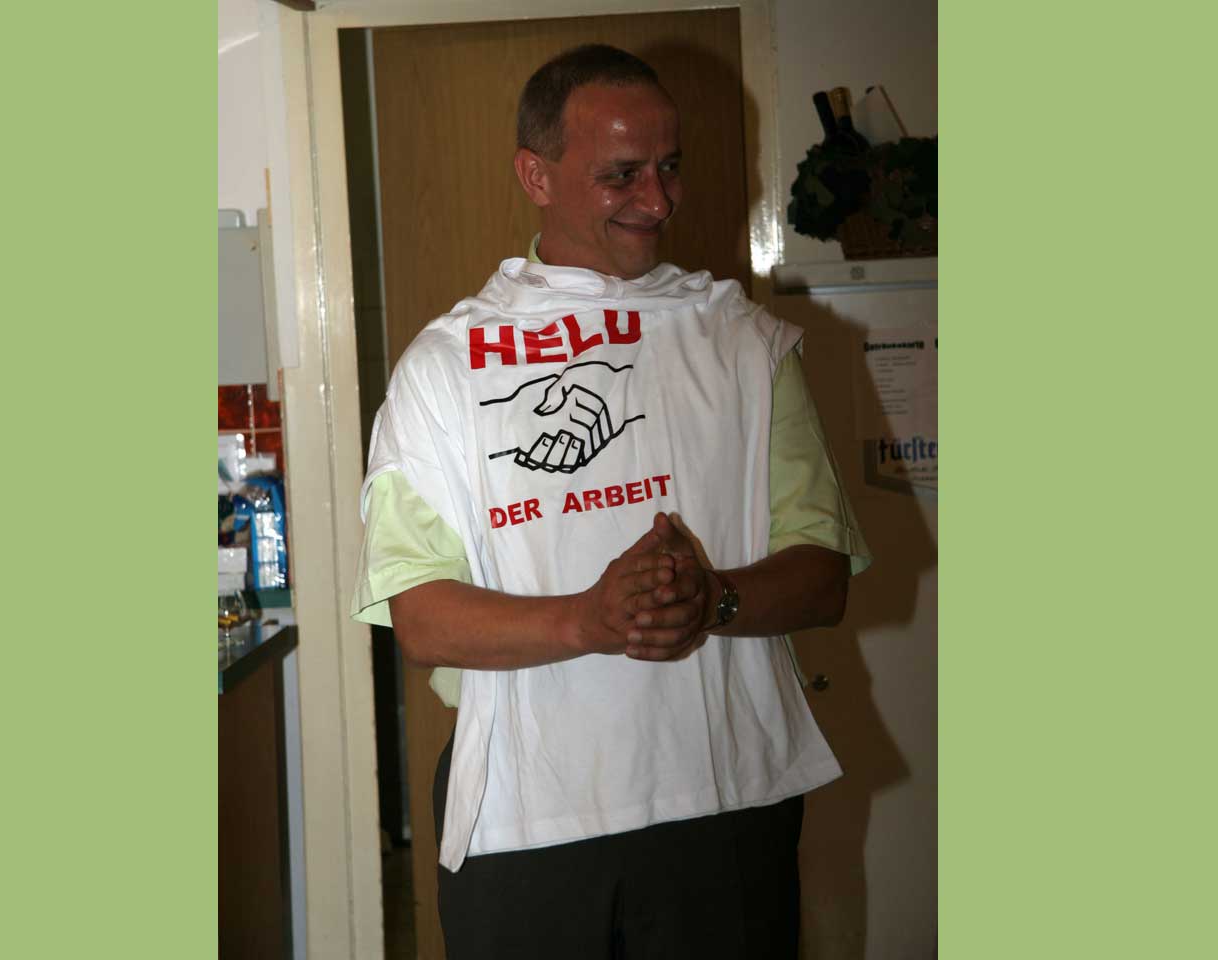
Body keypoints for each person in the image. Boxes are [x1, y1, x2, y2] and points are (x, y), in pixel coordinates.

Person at [351, 44, 870, 959]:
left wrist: (713, 601)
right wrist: (590, 619)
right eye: (621, 174)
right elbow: (421, 616)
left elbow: (823, 575)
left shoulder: (745, 346)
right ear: (535, 176)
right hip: (527, 822)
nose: (658, 200)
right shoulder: (444, 369)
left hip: (726, 806)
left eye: (670, 166)